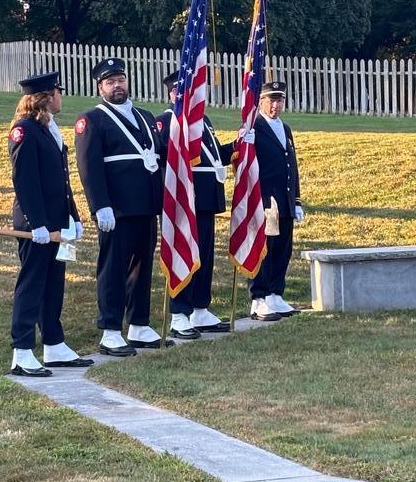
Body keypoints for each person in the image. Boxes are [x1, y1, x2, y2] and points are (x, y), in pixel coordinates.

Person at [75, 58, 163, 356]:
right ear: (100, 87)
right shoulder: (93, 119)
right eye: (110, 81)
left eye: (121, 79)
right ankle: (110, 329)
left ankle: (138, 323)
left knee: (142, 267)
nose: (117, 85)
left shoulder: (146, 116)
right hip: (117, 210)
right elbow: (89, 167)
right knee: (113, 269)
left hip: (146, 206)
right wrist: (100, 206)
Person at [8, 70, 91, 376]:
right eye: (58, 91)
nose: (61, 96)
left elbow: (62, 180)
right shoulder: (25, 131)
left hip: (57, 221)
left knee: (54, 284)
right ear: (45, 96)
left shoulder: (50, 128)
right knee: (32, 284)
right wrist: (36, 223)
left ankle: (53, 344)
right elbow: (24, 181)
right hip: (37, 224)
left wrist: (73, 216)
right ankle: (22, 349)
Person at [155, 71, 235, 337]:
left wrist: (237, 145)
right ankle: (179, 312)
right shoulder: (167, 121)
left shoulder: (203, 121)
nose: (186, 96)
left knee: (204, 256)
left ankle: (200, 308)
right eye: (180, 92)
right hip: (183, 200)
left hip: (207, 198)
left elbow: (213, 158)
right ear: (171, 94)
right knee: (184, 254)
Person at [250, 80, 304, 321]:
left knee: (283, 248)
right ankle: (259, 297)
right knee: (265, 250)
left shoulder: (286, 128)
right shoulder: (255, 127)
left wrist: (297, 200)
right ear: (261, 102)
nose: (276, 105)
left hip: (285, 200)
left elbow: (292, 167)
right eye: (271, 100)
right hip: (266, 200)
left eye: (280, 100)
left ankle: (275, 293)